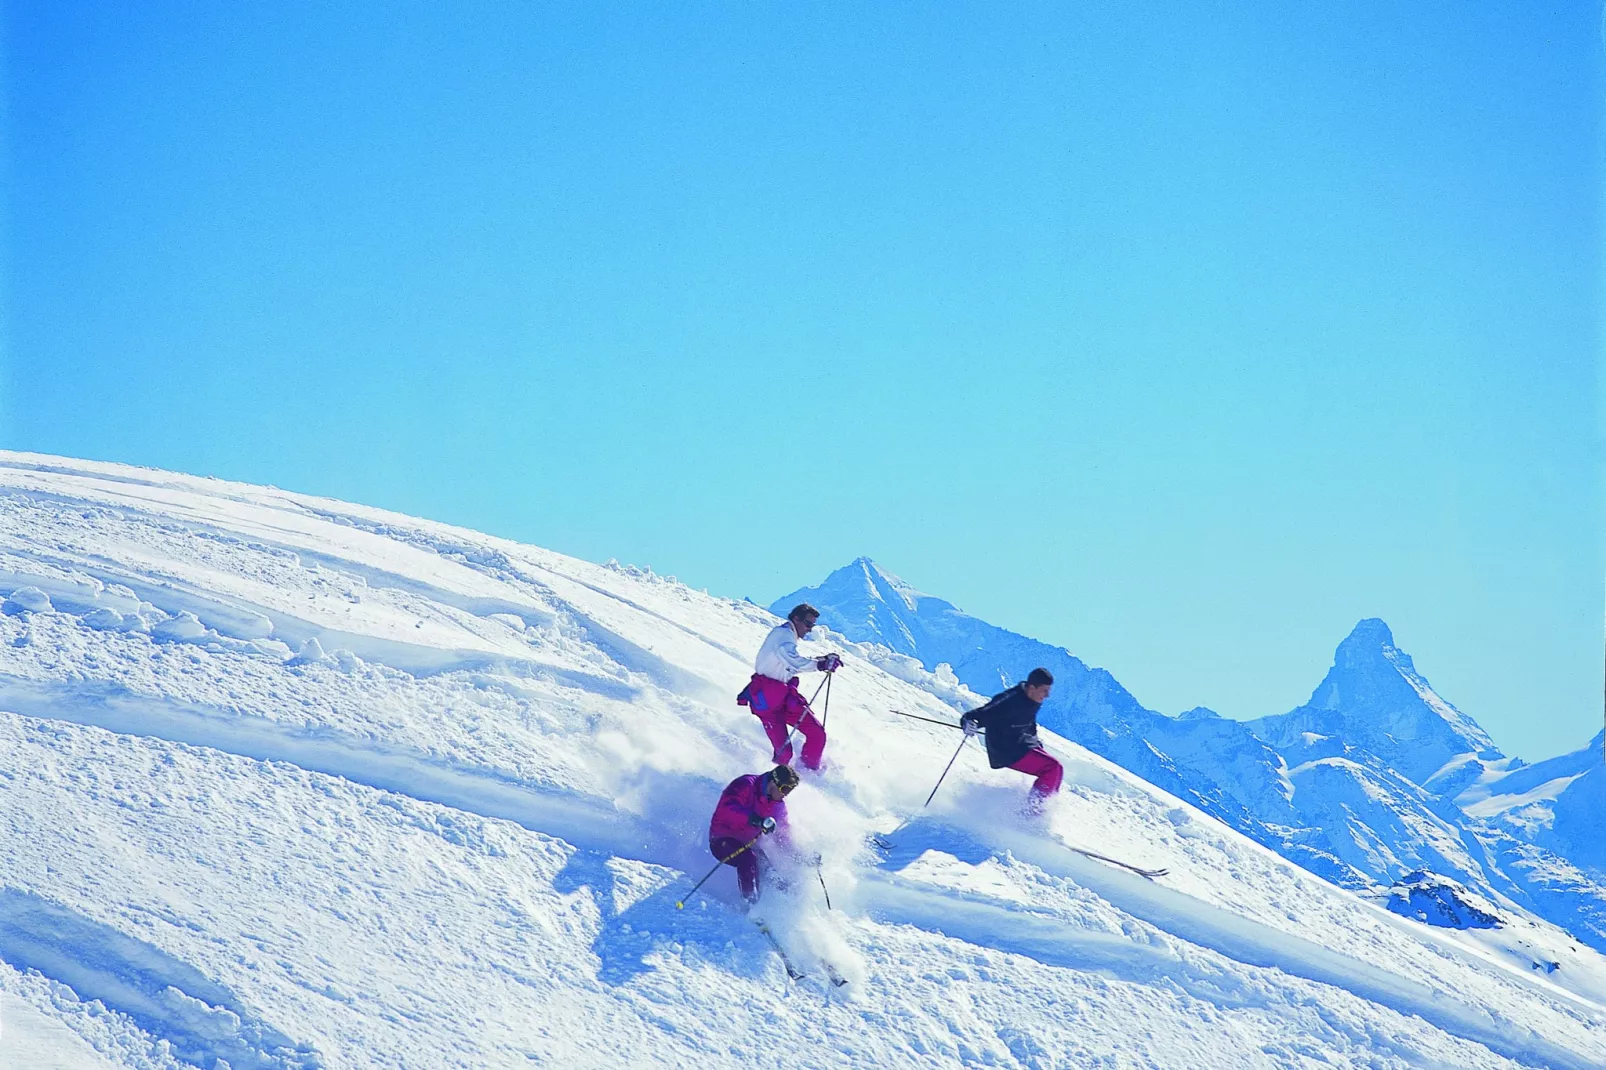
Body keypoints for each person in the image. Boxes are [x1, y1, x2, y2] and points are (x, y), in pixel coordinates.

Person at [737, 603, 841, 771]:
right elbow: (792, 659)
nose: (809, 629)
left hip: (782, 697)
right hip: (767, 699)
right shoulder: (783, 635)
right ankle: (774, 786)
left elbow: (791, 661)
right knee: (784, 753)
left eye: (812, 626)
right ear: (796, 619)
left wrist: (822, 660)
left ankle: (807, 772)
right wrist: (820, 665)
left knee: (817, 734)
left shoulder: (787, 636)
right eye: (808, 624)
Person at [959, 667, 1062, 811]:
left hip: (1022, 743)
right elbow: (979, 714)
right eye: (1045, 690)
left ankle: (1044, 809)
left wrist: (1036, 743)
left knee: (1057, 769)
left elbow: (1028, 722)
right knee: (1052, 767)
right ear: (1032, 687)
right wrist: (968, 722)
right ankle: (1031, 813)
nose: (1047, 695)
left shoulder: (1032, 698)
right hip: (1006, 749)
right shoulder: (1010, 700)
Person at [707, 765, 800, 903]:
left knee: (768, 870)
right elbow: (727, 809)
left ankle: (785, 902)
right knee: (748, 859)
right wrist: (755, 819)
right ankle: (751, 904)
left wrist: (800, 857)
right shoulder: (746, 785)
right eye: (784, 789)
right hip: (722, 840)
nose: (785, 794)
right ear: (773, 782)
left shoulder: (777, 805)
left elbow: (783, 835)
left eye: (789, 791)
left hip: (748, 844)